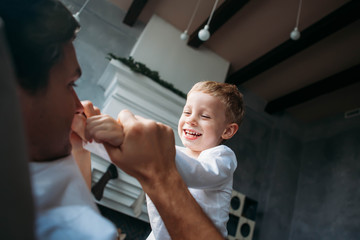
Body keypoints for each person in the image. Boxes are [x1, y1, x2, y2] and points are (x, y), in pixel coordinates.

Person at [0, 0, 225, 239]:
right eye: (70, 85)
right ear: (14, 97)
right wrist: (159, 174)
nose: (79, 105)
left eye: (205, 116)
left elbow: (77, 208)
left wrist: (80, 146)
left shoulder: (31, 167)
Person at [85, 81, 245, 239]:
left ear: (228, 130)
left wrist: (134, 140)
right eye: (187, 112)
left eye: (204, 116)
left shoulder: (222, 157)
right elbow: (132, 157)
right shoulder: (175, 153)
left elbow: (196, 172)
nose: (191, 120)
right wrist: (90, 137)